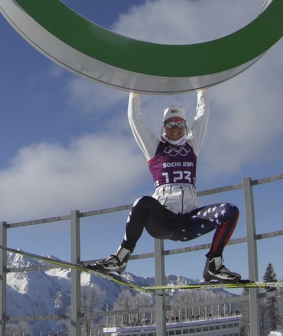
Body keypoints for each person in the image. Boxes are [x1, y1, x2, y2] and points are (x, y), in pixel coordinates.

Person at [89, 89, 245, 284]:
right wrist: (135, 91)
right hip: (164, 221)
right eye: (170, 124)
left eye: (180, 123)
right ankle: (121, 258)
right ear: (164, 127)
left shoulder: (192, 145)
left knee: (230, 211)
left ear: (185, 125)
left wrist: (202, 88)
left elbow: (203, 115)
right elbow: (135, 121)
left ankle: (214, 264)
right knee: (142, 202)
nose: (175, 128)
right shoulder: (155, 148)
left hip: (190, 221)